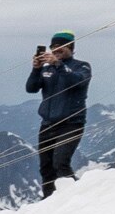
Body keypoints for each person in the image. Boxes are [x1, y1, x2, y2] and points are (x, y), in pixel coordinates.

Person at [26, 31, 93, 197]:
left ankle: (77, 196)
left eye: (60, 46)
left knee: (60, 163)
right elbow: (31, 88)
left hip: (71, 124)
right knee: (46, 168)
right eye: (53, 47)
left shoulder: (82, 66)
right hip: (48, 124)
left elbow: (76, 81)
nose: (56, 50)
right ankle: (49, 202)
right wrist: (36, 69)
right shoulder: (47, 69)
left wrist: (58, 65)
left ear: (70, 47)